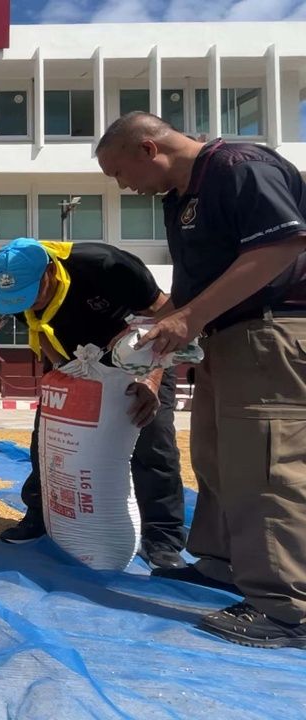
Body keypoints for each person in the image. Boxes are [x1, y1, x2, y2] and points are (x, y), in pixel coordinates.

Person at [97, 111, 306, 647]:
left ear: (149, 149)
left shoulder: (238, 166)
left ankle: (287, 608)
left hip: (270, 332)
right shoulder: (179, 198)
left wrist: (189, 318)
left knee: (266, 465)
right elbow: (192, 293)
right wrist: (165, 340)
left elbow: (280, 246)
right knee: (216, 455)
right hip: (223, 340)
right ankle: (222, 562)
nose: (125, 187)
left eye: (121, 172)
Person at [0, 237, 187, 570]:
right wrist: (66, 382)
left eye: (34, 293)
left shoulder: (105, 266)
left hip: (140, 357)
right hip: (76, 363)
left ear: (50, 271)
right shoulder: (17, 296)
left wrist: (150, 379)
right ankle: (40, 515)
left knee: (152, 440)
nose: (29, 303)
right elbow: (42, 333)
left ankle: (162, 538)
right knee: (50, 439)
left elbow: (167, 318)